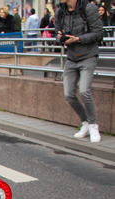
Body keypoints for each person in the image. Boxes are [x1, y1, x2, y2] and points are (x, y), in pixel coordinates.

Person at [56, 0, 103, 142]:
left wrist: (77, 39)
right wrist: (60, 38)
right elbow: (56, 34)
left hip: (88, 56)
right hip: (71, 57)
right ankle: (86, 123)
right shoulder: (60, 11)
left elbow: (98, 33)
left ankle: (94, 126)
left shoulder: (89, 8)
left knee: (84, 91)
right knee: (69, 94)